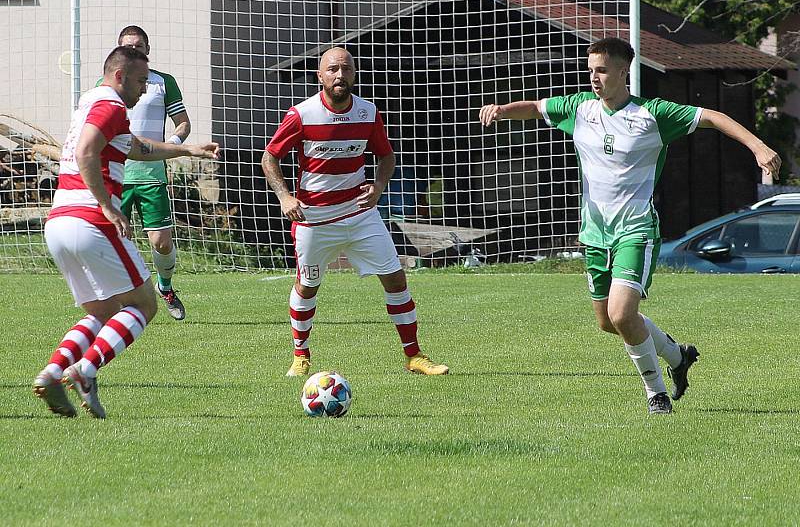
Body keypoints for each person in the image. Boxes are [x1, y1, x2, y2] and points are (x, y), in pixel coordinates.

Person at [479, 37, 781, 414]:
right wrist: (503, 110)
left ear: (624, 72)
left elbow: (712, 117)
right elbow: (537, 107)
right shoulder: (579, 108)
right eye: (590, 71)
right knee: (609, 322)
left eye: (602, 70)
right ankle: (677, 355)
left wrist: (758, 147)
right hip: (594, 232)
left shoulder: (652, 115)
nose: (594, 78)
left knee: (623, 314)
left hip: (635, 230)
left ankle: (655, 394)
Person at [33, 46, 219, 418]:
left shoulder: (89, 102)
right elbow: (87, 152)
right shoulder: (111, 105)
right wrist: (106, 204)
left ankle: (54, 371)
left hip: (59, 222)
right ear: (119, 76)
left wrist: (187, 151)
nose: (142, 90)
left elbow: (136, 147)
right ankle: (85, 371)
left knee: (103, 311)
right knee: (144, 304)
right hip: (91, 220)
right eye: (138, 82)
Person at [262, 47, 449, 377]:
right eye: (332, 69)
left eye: (346, 69)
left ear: (354, 74)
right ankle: (300, 355)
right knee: (307, 286)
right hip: (314, 219)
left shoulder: (367, 112)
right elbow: (270, 157)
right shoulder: (302, 114)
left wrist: (377, 188)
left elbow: (387, 157)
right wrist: (285, 197)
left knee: (395, 277)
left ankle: (414, 356)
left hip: (360, 215)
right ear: (320, 76)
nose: (339, 75)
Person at [114, 25, 192, 320]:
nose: (134, 50)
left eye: (139, 46)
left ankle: (166, 286)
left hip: (151, 174)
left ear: (147, 50)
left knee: (161, 242)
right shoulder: (107, 84)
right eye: (127, 46)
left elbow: (183, 124)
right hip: (117, 174)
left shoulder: (162, 83)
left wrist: (168, 147)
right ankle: (120, 297)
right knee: (115, 240)